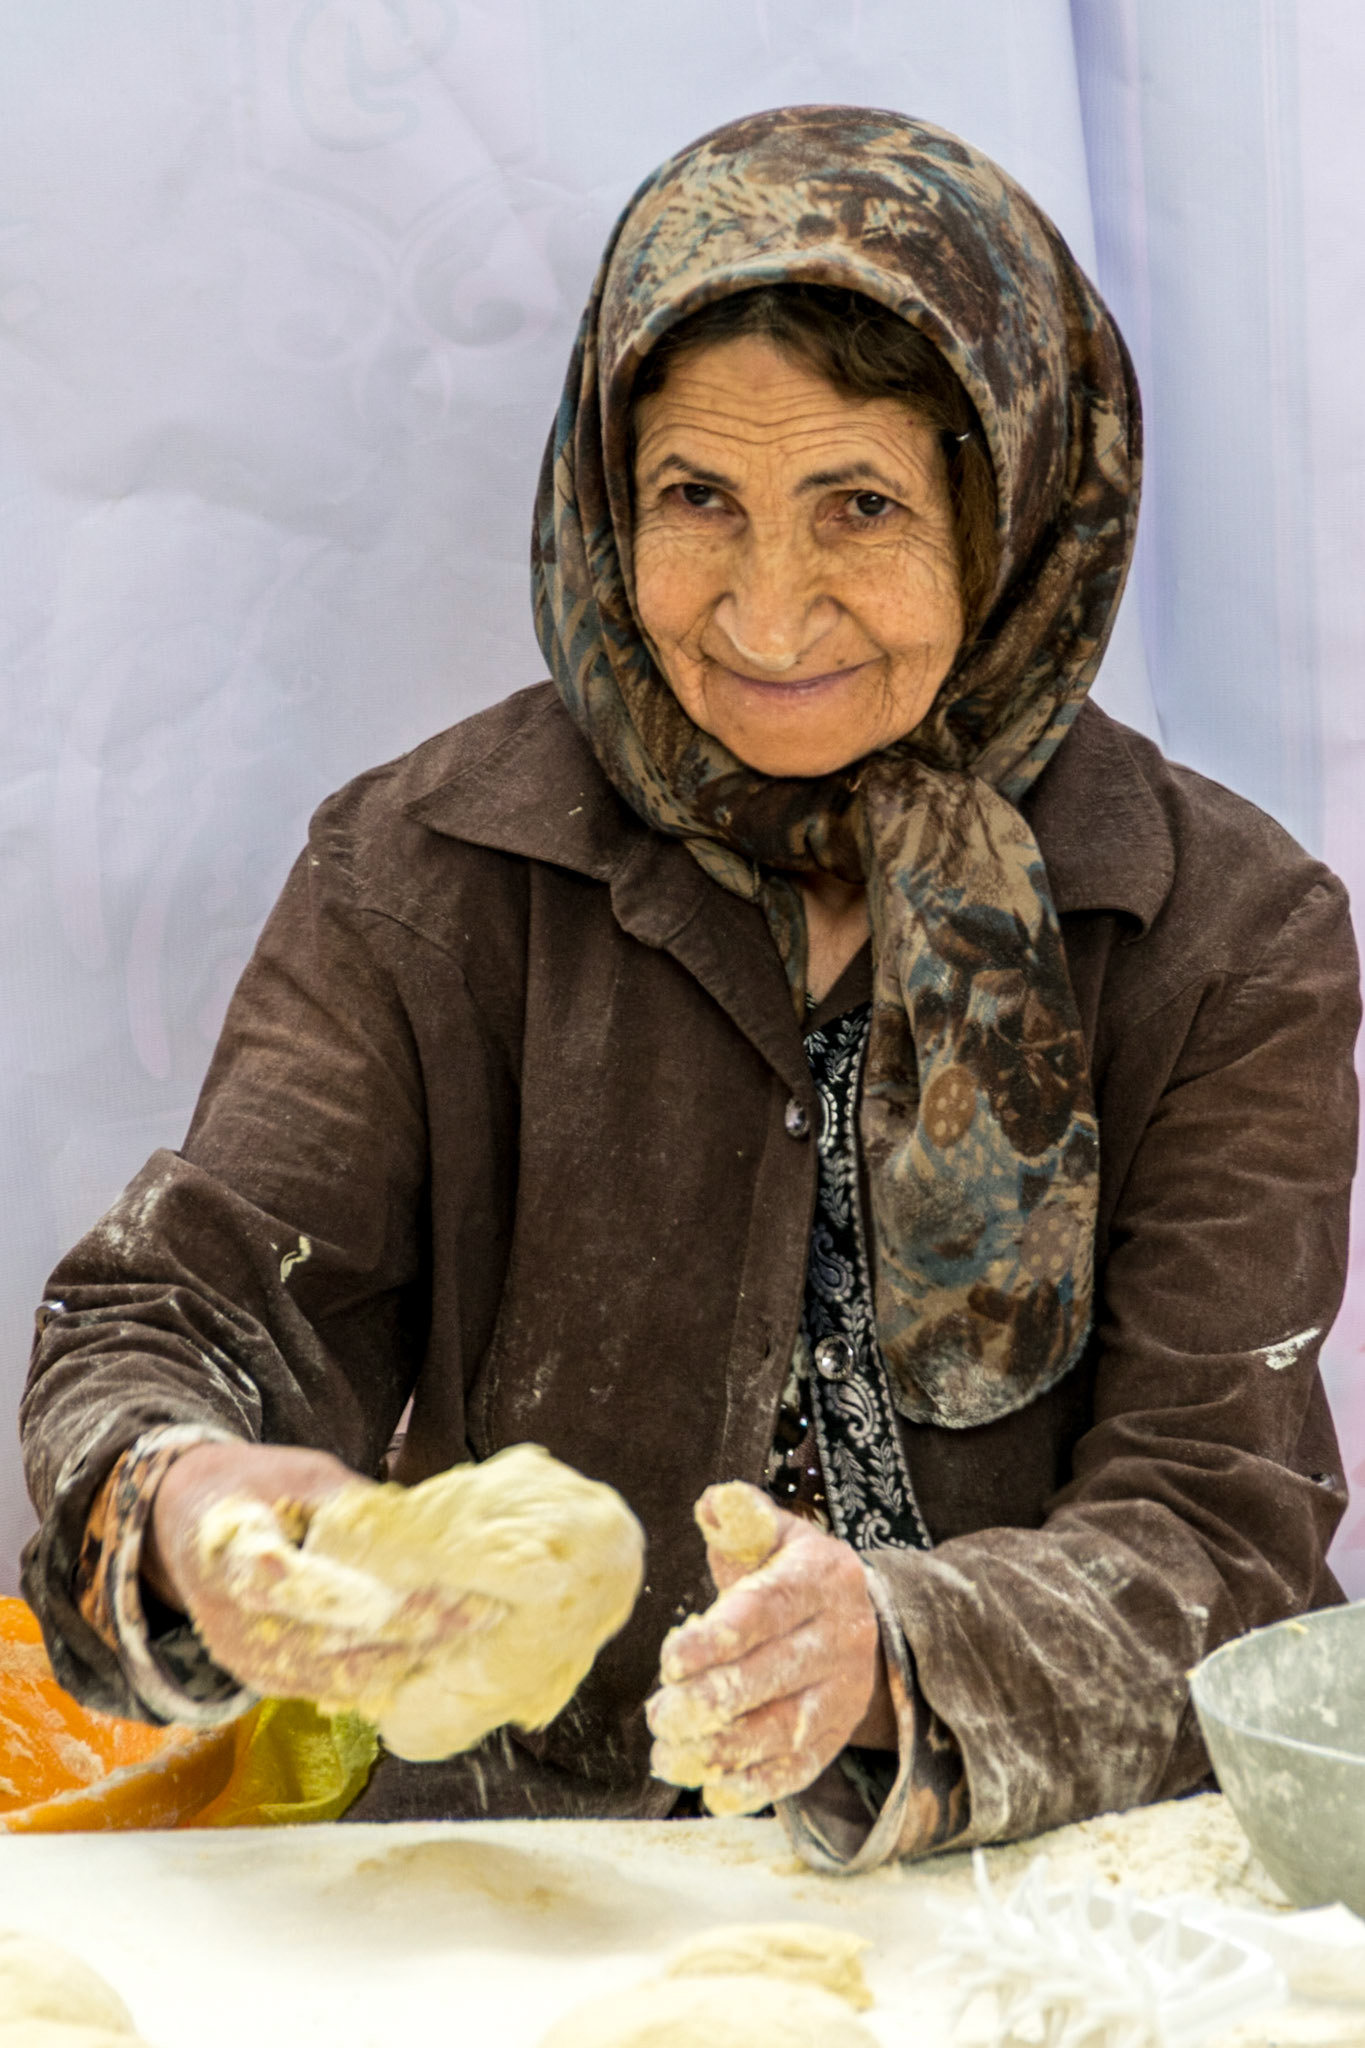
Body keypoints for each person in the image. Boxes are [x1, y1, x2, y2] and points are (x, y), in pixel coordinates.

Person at [19, 105, 1359, 1873]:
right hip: (524, 1878)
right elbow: (178, 1320)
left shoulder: (1223, 933)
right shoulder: (428, 870)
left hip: (1044, 1894)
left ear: (1016, 512)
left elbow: (1218, 1529)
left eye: (861, 507)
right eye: (695, 499)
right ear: (605, 492)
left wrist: (889, 1654)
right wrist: (199, 1505)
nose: (765, 613)